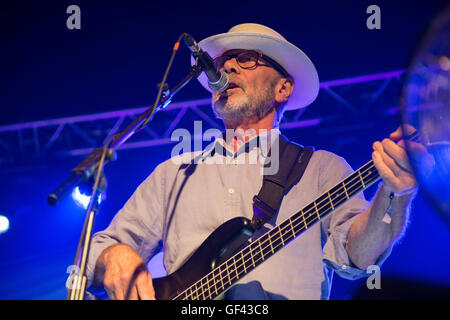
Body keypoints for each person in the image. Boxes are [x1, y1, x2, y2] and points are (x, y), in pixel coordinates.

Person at [85, 23, 425, 300]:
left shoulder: (323, 168)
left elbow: (358, 256)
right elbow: (97, 250)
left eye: (246, 59)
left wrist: (393, 195)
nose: (227, 66)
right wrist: (114, 257)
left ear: (283, 89)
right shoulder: (175, 173)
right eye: (222, 63)